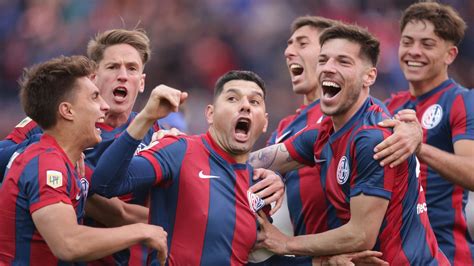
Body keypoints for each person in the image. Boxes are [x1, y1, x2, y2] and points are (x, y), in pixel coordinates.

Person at [249, 23, 448, 265]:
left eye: (343, 62)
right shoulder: (323, 132)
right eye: (323, 60)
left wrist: (283, 243)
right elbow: (256, 161)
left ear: (369, 76)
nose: (328, 69)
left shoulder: (374, 139)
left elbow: (361, 235)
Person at [90, 70, 284, 265]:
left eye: (255, 101)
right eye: (232, 98)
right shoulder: (178, 150)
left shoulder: (262, 186)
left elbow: (260, 256)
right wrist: (146, 118)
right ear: (210, 113)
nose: (245, 106)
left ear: (265, 122)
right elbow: (105, 184)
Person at [0, 55, 173, 265]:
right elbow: (68, 243)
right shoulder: (46, 163)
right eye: (94, 97)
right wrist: (140, 232)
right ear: (67, 111)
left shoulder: (65, 160)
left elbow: (119, 211)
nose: (105, 106)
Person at [376, 2, 474, 264]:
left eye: (427, 44)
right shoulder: (389, 107)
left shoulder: (462, 101)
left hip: (448, 253)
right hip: (396, 254)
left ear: (450, 55)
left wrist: (419, 147)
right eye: (407, 42)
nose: (414, 52)